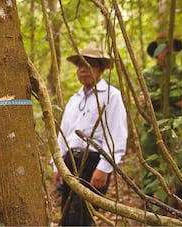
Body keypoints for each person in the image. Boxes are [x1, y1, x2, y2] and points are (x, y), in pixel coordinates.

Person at [54, 45, 128, 226]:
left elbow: (116, 135)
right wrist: (58, 165)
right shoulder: (74, 100)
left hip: (93, 163)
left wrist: (104, 167)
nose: (83, 70)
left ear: (101, 69)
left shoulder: (112, 96)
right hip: (71, 161)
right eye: (80, 66)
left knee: (82, 215)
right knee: (67, 213)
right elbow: (64, 134)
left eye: (89, 65)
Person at [140, 32, 182, 205]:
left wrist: (154, 96)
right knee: (149, 162)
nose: (168, 53)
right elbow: (144, 100)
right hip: (151, 123)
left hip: (176, 124)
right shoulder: (147, 73)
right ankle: (149, 203)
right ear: (157, 52)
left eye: (172, 50)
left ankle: (179, 200)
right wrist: (169, 95)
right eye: (164, 49)